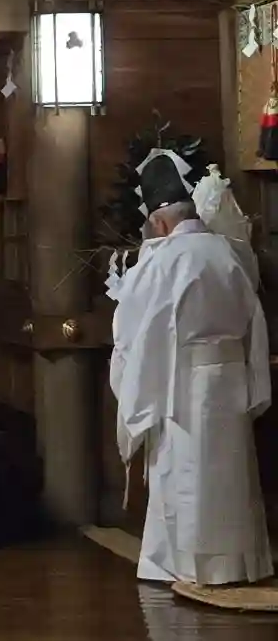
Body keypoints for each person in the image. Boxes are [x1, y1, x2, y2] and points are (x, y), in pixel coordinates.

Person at [111, 153, 272, 587]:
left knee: (186, 474)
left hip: (182, 383)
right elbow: (254, 321)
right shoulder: (228, 252)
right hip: (230, 379)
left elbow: (137, 332)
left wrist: (136, 385)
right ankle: (238, 565)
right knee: (229, 476)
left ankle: (186, 566)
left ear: (160, 222)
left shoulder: (162, 261)